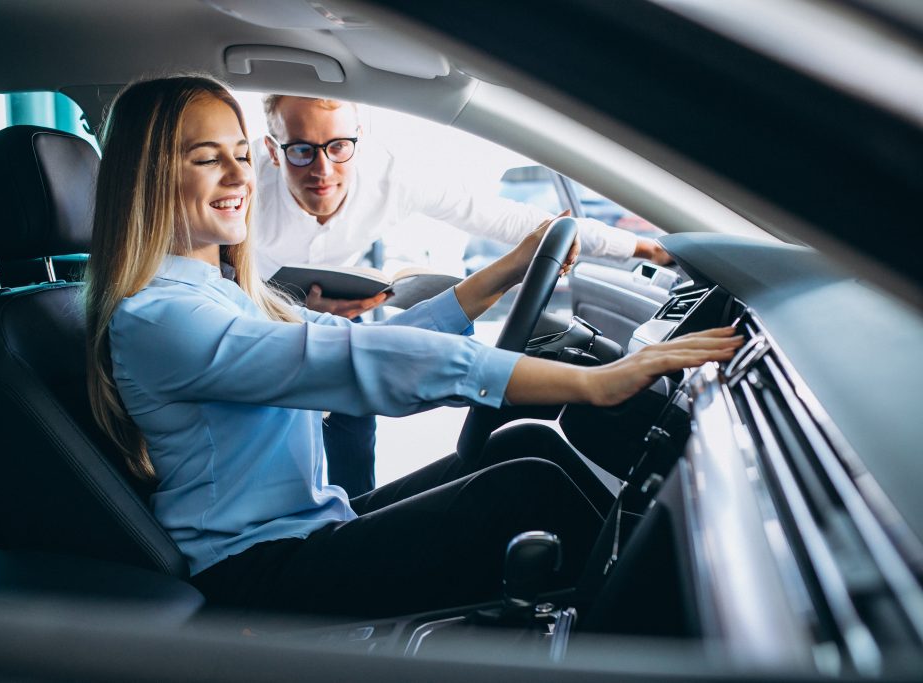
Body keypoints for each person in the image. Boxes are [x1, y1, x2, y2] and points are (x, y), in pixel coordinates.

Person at [84, 75, 741, 618]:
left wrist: (510, 268)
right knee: (522, 491)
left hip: (308, 529)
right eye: (206, 157)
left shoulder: (220, 292)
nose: (240, 174)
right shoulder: (160, 317)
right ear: (146, 177)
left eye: (238, 152)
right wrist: (595, 382)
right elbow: (359, 364)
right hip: (256, 576)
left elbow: (371, 340)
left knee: (525, 445)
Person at [255, 94, 672, 496]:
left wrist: (644, 248)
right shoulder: (241, 185)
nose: (323, 169)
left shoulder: (391, 178)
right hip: (258, 321)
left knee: (355, 422)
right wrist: (283, 312)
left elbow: (511, 219)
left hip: (339, 316)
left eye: (339, 146)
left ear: (358, 137)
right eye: (302, 152)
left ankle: (351, 518)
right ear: (274, 151)